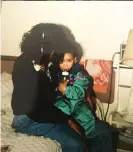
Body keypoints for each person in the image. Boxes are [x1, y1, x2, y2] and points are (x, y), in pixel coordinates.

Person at [11, 23, 85, 152]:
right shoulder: (25, 65)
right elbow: (34, 109)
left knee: (84, 130)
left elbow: (71, 71)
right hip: (28, 119)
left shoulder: (49, 63)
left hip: (44, 114)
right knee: (75, 144)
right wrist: (67, 120)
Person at [53, 44, 119, 152]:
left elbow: (79, 92)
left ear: (75, 59)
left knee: (105, 133)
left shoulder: (80, 73)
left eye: (68, 60)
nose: (64, 64)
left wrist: (65, 90)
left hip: (79, 112)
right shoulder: (56, 73)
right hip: (63, 114)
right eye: (61, 61)